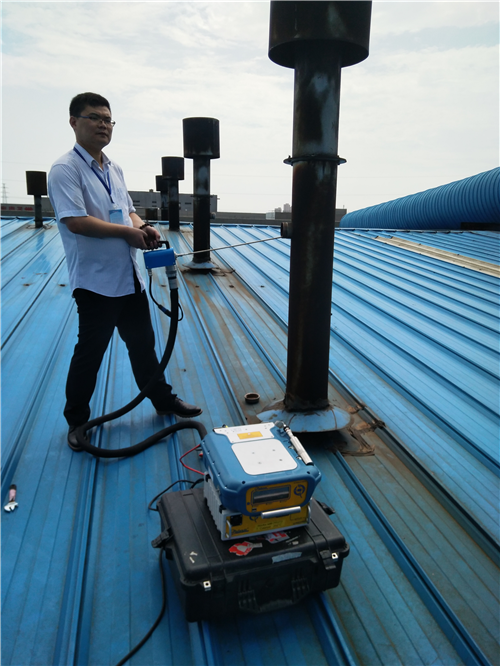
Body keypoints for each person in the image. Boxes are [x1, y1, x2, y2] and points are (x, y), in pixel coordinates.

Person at [48, 92, 202, 450]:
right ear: (74, 122)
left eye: (108, 119)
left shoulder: (113, 169)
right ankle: (78, 422)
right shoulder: (65, 169)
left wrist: (142, 226)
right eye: (95, 118)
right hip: (96, 282)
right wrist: (128, 234)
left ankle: (163, 401)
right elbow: (76, 222)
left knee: (143, 346)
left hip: (128, 278)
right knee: (90, 354)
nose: (103, 125)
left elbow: (128, 210)